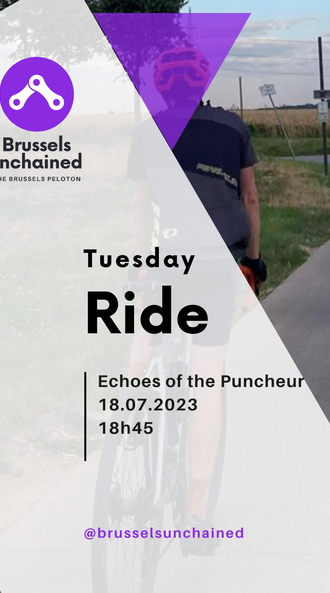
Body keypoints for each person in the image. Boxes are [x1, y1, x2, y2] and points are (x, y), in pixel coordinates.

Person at [126, 46, 267, 555]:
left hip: (166, 258)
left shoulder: (146, 134)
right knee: (206, 378)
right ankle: (194, 508)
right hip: (215, 259)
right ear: (203, 84)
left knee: (145, 328)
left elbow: (141, 210)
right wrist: (252, 261)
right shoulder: (231, 129)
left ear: (162, 89)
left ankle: (135, 392)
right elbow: (250, 199)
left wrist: (138, 271)